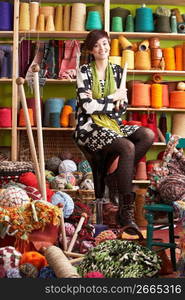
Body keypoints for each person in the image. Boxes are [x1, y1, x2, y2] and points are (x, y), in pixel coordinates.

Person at [74, 30, 155, 233]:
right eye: (97, 45)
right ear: (91, 50)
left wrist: (104, 101)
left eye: (105, 44)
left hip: (113, 126)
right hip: (89, 128)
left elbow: (123, 107)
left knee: (147, 135)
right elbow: (88, 108)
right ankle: (125, 211)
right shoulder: (83, 71)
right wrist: (112, 98)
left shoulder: (118, 71)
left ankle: (115, 178)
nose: (103, 48)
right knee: (126, 145)